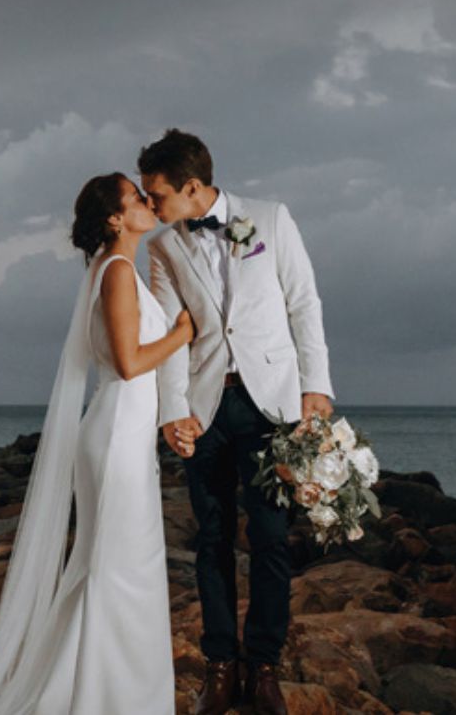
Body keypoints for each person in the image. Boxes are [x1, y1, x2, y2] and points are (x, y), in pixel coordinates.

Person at [0, 172, 193, 715]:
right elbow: (129, 364)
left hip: (121, 433)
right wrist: (182, 334)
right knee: (121, 569)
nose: (149, 202)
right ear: (115, 218)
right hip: (117, 436)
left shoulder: (116, 269)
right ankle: (107, 699)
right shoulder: (119, 272)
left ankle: (105, 692)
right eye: (136, 198)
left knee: (112, 566)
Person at [140, 129, 334, 715]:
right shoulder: (162, 248)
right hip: (205, 409)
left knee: (271, 540)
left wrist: (315, 386)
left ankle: (264, 667)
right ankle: (220, 668)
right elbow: (170, 338)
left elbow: (303, 301)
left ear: (192, 187)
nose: (151, 207)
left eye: (157, 195)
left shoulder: (270, 220)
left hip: (271, 402)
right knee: (212, 540)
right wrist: (172, 412)